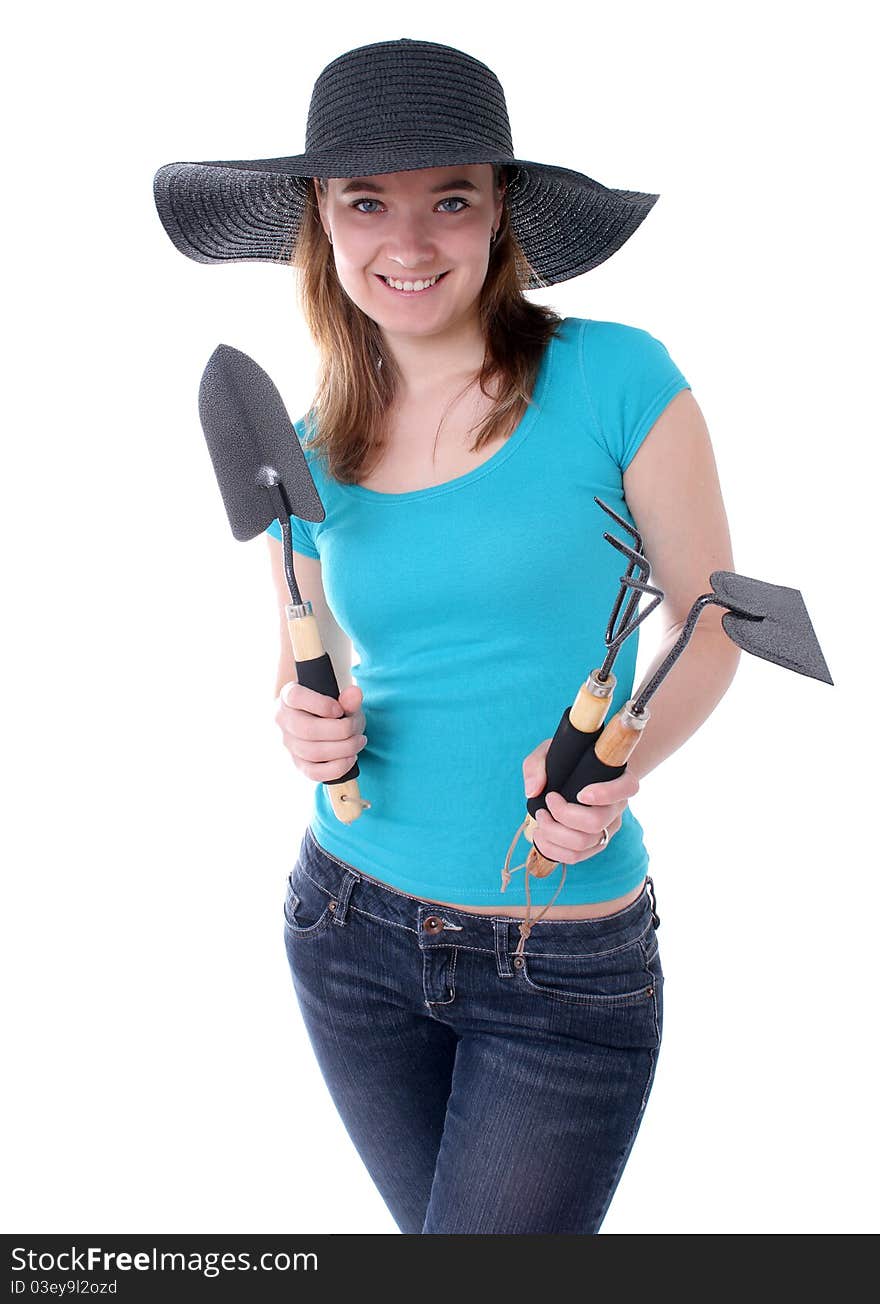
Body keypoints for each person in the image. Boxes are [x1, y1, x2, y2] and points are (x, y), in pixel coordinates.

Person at [154, 37, 740, 1234]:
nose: (407, 244)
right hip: (345, 925)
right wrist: (299, 720)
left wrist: (625, 761)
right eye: (366, 202)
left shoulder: (618, 377)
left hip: (558, 964)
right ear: (323, 220)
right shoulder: (311, 446)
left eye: (449, 201)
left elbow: (713, 622)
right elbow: (300, 658)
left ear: (497, 215)